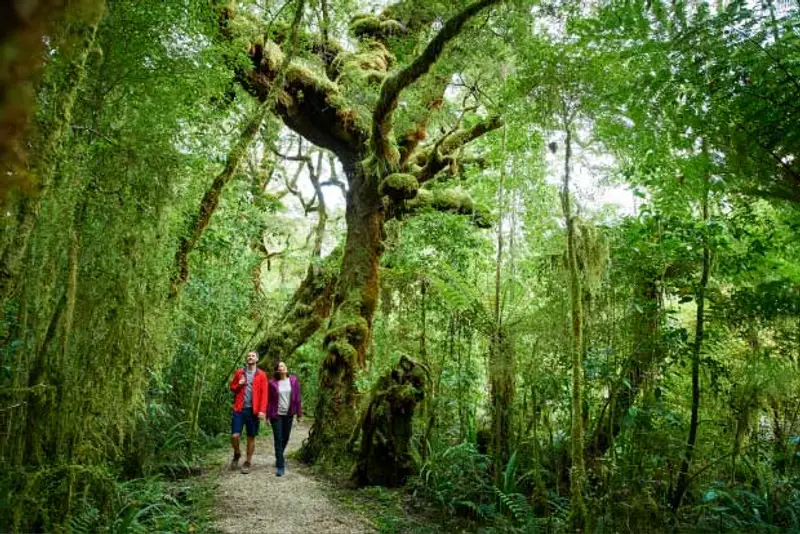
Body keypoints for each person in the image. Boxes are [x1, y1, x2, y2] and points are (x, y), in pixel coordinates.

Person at [229, 350, 268, 474]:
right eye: (249, 356)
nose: (250, 357)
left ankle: (248, 462)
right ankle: (237, 453)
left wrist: (262, 410)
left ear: (257, 359)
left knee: (251, 436)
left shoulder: (261, 375)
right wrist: (239, 385)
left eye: (253, 356)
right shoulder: (239, 372)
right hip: (239, 409)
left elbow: (264, 394)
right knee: (235, 435)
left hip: (253, 411)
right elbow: (232, 388)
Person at [267, 361, 302, 477]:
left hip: (289, 414)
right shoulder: (272, 383)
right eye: (280, 366)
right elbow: (270, 401)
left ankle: (279, 456)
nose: (283, 368)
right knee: (278, 439)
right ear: (277, 370)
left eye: (284, 366)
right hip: (276, 414)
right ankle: (280, 466)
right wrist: (267, 416)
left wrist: (299, 413)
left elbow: (297, 397)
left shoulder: (293, 380)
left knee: (285, 437)